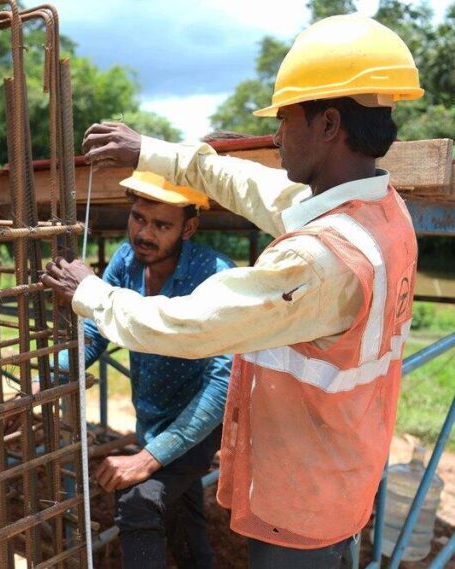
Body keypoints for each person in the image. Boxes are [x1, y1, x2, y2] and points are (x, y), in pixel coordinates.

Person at [42, 14, 423, 568]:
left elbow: (189, 325)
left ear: (329, 123)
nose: (274, 136)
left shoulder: (320, 261)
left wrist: (90, 293)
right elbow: (248, 184)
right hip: (337, 464)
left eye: (286, 119)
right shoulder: (381, 213)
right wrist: (151, 151)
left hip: (300, 495)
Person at [58, 171, 232, 568]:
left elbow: (221, 384)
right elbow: (96, 330)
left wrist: (147, 458)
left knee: (138, 501)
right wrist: (54, 375)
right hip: (153, 413)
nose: (145, 233)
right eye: (138, 218)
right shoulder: (126, 260)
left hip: (200, 419)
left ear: (188, 227)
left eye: (161, 225)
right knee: (181, 518)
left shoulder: (215, 275)